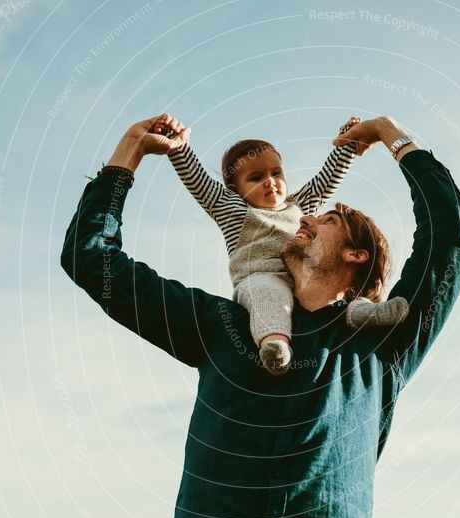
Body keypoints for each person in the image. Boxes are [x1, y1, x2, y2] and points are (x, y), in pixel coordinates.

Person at [61, 113, 460, 518]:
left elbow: (448, 235)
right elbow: (91, 258)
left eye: (327, 220)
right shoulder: (219, 326)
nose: (304, 217)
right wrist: (127, 154)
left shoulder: (384, 343)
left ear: (356, 255)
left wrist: (391, 133)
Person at [164, 116, 409, 374]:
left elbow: (327, 179)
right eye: (256, 177)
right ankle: (275, 344)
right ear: (235, 189)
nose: (270, 181)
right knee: (269, 297)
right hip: (260, 278)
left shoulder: (298, 206)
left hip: (301, 281)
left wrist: (348, 143)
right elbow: (199, 182)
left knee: (337, 299)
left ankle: (367, 313)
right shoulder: (232, 210)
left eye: (276, 173)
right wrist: (179, 148)